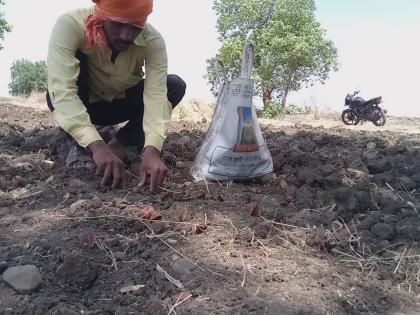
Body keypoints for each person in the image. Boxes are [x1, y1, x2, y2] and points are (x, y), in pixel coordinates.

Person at [46, 0, 186, 190]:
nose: (127, 36)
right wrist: (97, 146)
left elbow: (156, 98)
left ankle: (123, 144)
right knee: (55, 90)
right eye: (118, 24)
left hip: (119, 105)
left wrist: (152, 150)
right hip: (84, 102)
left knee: (175, 85)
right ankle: (80, 144)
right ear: (101, 16)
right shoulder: (71, 24)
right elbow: (62, 91)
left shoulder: (153, 41)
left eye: (136, 26)